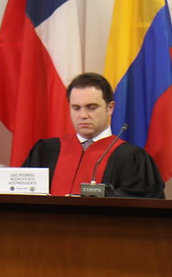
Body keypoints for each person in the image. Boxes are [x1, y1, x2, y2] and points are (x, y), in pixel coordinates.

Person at [22, 72, 164, 198]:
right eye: (76, 108)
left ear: (110, 108)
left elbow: (141, 203)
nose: (83, 115)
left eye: (91, 107)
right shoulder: (45, 151)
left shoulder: (131, 158)